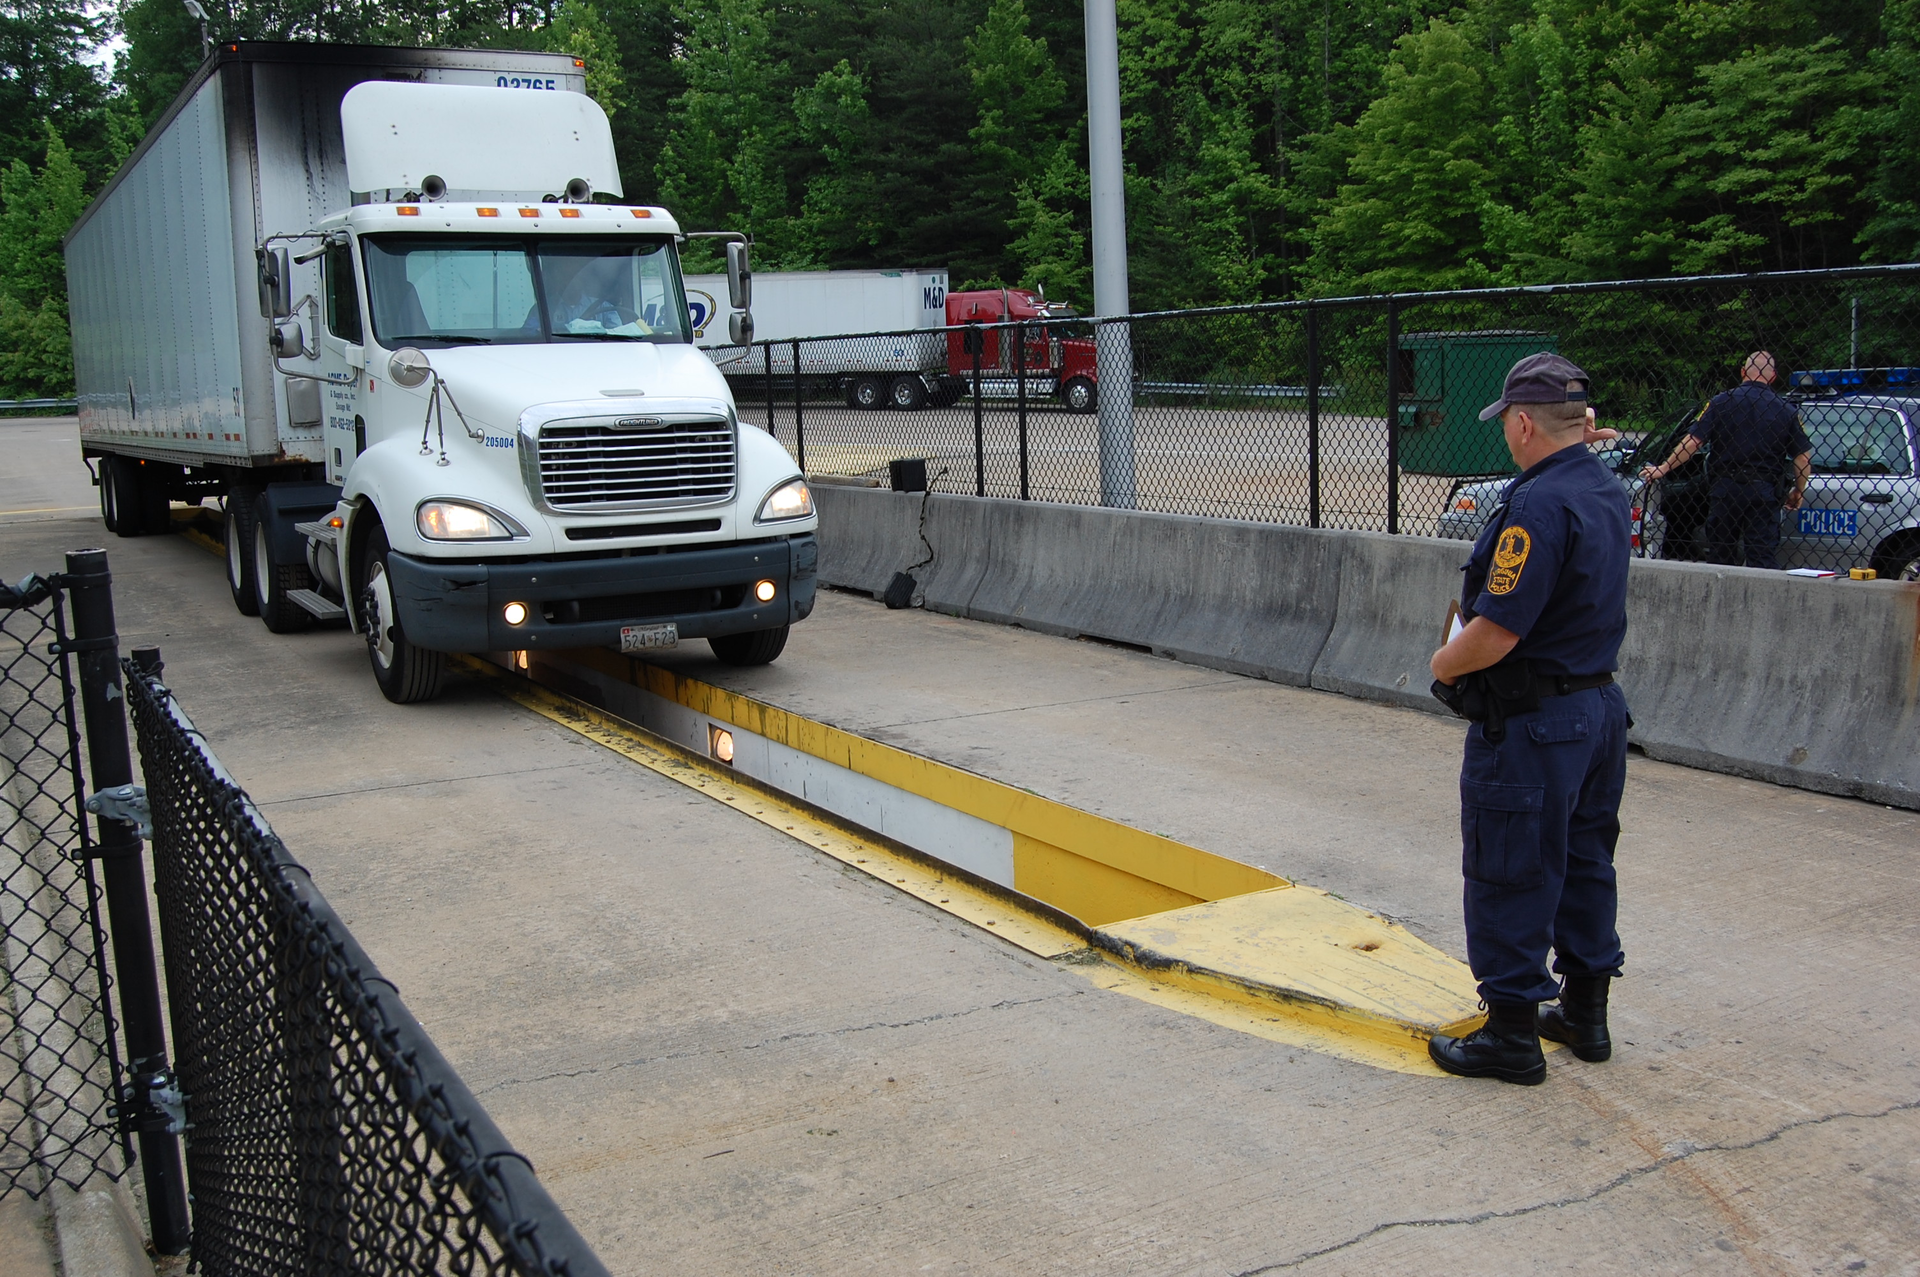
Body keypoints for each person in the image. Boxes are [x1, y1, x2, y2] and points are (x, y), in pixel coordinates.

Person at [1426, 352, 1632, 1086]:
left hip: (1536, 719)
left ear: (1520, 423)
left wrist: (1442, 664)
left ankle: (1511, 1031)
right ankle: (1586, 1011)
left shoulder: (1536, 506)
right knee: (1583, 859)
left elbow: (1498, 631)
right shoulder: (1602, 486)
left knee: (1510, 865)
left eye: (1507, 426)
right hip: (1598, 711)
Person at [1638, 351, 1812, 568]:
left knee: (1720, 554)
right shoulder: (1787, 410)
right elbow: (1802, 457)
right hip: (1764, 491)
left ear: (1742, 372)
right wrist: (1798, 489)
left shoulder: (1720, 402)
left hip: (1726, 488)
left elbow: (1693, 442)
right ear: (1774, 376)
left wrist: (1664, 468)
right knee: (1762, 556)